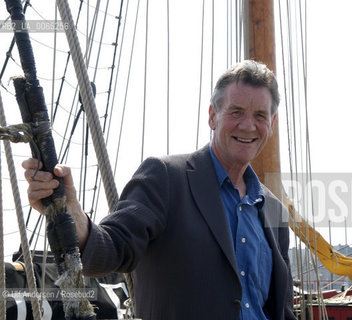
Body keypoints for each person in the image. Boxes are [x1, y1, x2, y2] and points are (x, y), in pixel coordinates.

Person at [23, 60, 296, 320]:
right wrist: (72, 216)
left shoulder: (273, 211)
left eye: (260, 115)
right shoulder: (165, 178)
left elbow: (281, 310)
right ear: (213, 117)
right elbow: (114, 246)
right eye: (236, 112)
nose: (248, 125)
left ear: (271, 124)